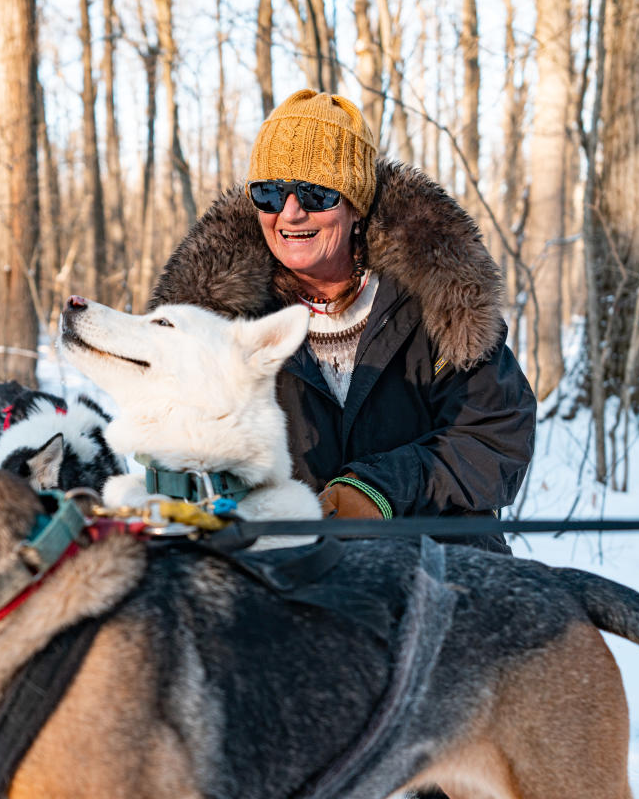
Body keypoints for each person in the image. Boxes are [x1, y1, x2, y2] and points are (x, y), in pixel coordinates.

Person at [151, 89, 535, 554]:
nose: (290, 213)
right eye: (269, 193)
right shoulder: (221, 323)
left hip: (437, 566)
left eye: (316, 193)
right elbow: (176, 455)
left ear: (355, 206)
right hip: (287, 573)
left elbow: (496, 438)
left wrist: (383, 489)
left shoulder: (438, 302)